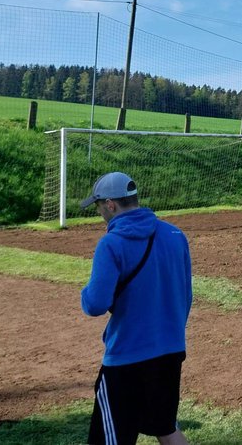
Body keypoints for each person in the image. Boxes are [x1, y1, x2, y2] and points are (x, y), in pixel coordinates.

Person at [80, 172, 193, 445]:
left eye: (97, 207)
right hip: (170, 350)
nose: (98, 213)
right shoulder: (176, 234)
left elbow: (95, 304)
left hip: (126, 359)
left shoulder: (111, 243)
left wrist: (85, 293)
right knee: (166, 428)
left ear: (110, 205)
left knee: (110, 438)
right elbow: (185, 296)